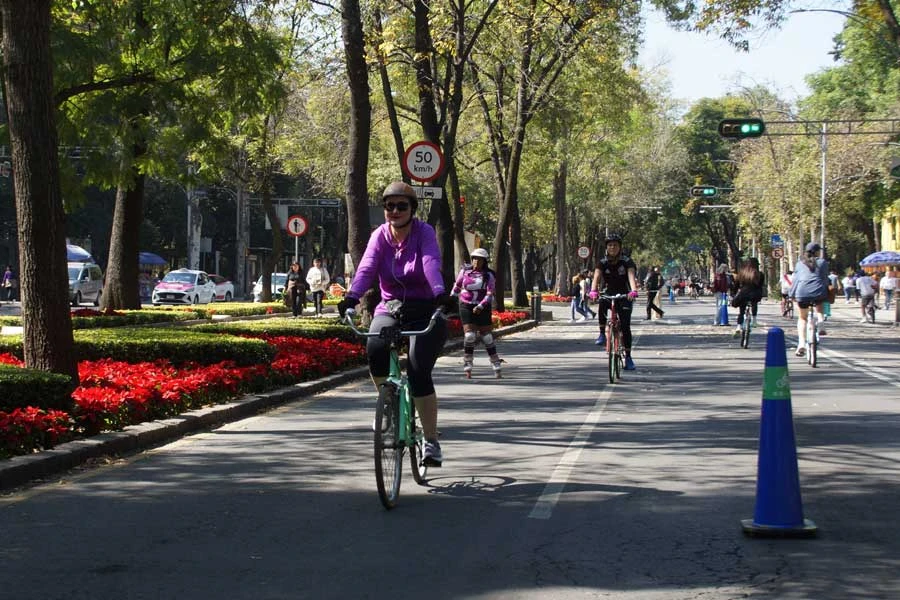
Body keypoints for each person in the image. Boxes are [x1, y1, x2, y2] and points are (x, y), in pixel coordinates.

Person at [337, 181, 454, 467]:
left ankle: (430, 440)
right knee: (375, 348)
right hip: (390, 308)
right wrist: (351, 297)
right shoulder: (380, 235)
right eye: (389, 206)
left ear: (412, 209)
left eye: (402, 206)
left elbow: (429, 262)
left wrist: (439, 293)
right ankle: (388, 404)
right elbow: (366, 268)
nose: (394, 211)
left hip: (425, 308)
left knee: (417, 370)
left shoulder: (423, 233)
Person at [588, 233, 639, 370]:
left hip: (625, 295)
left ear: (620, 247)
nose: (612, 247)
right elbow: (596, 277)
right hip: (608, 293)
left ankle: (628, 357)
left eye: (615, 245)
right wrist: (593, 290)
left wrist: (633, 291)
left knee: (625, 327)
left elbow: (631, 276)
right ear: (606, 248)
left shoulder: (627, 261)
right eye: (610, 245)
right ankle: (601, 334)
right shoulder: (602, 262)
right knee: (602, 304)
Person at [450, 247, 503, 378]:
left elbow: (490, 293)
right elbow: (457, 286)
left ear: (484, 261)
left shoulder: (489, 275)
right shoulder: (465, 272)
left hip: (483, 307)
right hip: (466, 305)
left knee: (487, 337)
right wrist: (450, 300)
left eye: (479, 259)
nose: (476, 262)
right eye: (474, 259)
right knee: (469, 336)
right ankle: (468, 363)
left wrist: (481, 306)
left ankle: (495, 363)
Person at [788, 242, 830, 357]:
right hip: (818, 290)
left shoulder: (799, 264)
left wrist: (791, 294)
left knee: (802, 317)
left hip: (802, 291)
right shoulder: (822, 262)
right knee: (819, 303)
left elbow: (795, 280)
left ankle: (801, 343)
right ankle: (821, 323)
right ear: (817, 252)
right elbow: (825, 278)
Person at [731, 257, 766, 336]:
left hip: (744, 294)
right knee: (754, 304)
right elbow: (760, 286)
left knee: (741, 311)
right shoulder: (759, 274)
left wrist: (734, 294)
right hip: (755, 294)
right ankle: (754, 320)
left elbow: (736, 285)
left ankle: (738, 327)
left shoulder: (742, 273)